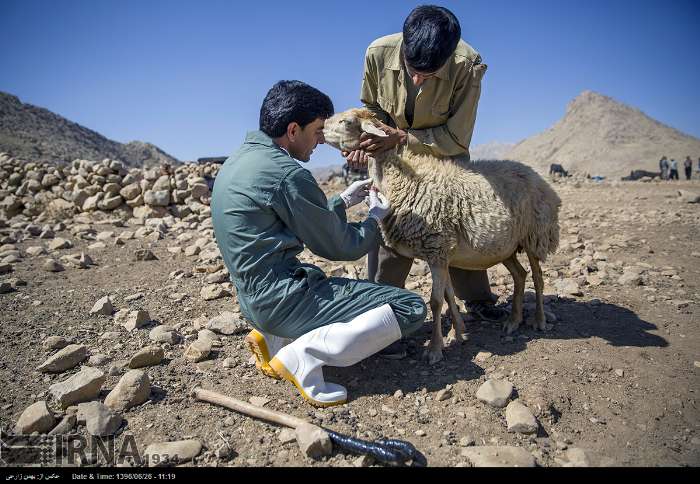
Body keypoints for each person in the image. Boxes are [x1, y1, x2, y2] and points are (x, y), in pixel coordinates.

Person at [211, 81, 427, 407]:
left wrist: (341, 201)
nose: (321, 140)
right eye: (316, 131)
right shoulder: (286, 174)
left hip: (253, 300)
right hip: (285, 299)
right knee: (410, 308)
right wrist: (375, 217)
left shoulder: (238, 162)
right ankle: (303, 354)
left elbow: (294, 217)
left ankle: (275, 338)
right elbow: (341, 247)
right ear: (293, 129)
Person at [345, 5, 507, 339]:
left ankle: (477, 300)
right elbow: (370, 107)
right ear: (403, 47)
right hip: (391, 156)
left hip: (445, 158)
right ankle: (380, 305)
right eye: (413, 70)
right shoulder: (377, 53)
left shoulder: (468, 66)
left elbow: (457, 136)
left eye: (429, 76)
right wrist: (370, 138)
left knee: (451, 227)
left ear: (449, 59)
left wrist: (404, 137)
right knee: (390, 221)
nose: (418, 80)